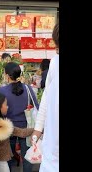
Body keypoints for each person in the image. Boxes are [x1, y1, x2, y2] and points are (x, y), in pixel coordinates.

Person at [0, 62, 39, 172]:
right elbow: (37, 107)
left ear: (6, 75)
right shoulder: (28, 88)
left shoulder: (2, 91)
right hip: (26, 129)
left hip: (8, 129)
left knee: (8, 158)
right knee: (27, 158)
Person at [31, 23, 59, 172]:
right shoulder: (55, 63)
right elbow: (46, 98)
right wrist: (38, 128)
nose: (56, 50)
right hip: (52, 152)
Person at [0, 92, 34, 172]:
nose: (7, 107)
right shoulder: (5, 126)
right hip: (0, 160)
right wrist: (38, 129)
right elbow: (22, 133)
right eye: (6, 104)